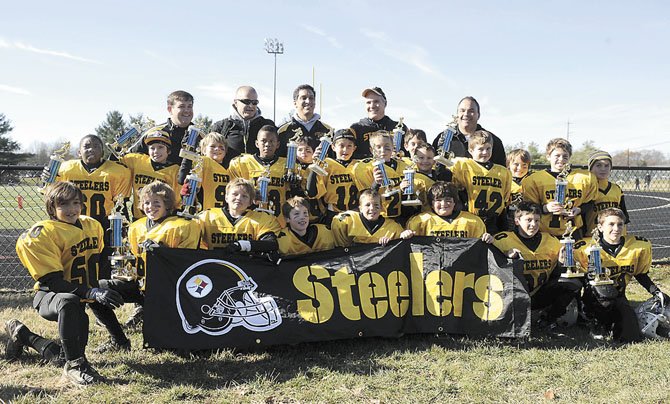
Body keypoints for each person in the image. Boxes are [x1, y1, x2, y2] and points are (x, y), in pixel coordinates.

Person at [12, 182, 129, 386]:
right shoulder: (43, 233)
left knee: (60, 357)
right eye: (63, 204)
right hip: (52, 296)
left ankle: (23, 334)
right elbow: (53, 282)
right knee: (70, 301)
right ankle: (75, 366)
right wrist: (92, 291)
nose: (71, 209)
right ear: (51, 207)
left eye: (75, 203)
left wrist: (120, 338)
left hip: (80, 293)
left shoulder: (92, 225)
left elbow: (95, 275)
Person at [575, 208, 668, 342]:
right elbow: (579, 278)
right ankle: (594, 323)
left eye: (620, 224)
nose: (616, 228)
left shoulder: (635, 246)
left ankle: (612, 323)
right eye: (611, 224)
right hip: (594, 300)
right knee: (604, 297)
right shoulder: (586, 248)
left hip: (619, 297)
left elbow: (640, 274)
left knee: (632, 336)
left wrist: (656, 291)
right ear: (600, 227)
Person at [118, 181, 201, 328]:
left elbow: (186, 261)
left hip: (168, 288)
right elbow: (133, 259)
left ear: (167, 204)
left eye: (156, 203)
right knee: (103, 287)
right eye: (147, 203)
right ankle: (117, 335)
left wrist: (161, 251)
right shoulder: (136, 226)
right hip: (141, 286)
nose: (151, 207)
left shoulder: (182, 225)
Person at [492, 202, 581, 330]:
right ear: (517, 221)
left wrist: (561, 263)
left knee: (572, 284)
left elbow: (555, 275)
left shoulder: (551, 241)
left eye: (537, 221)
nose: (533, 225)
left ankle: (546, 320)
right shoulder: (502, 240)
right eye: (528, 220)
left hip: (539, 293)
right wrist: (504, 256)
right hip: (512, 297)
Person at [55, 134, 132, 279]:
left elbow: (120, 205)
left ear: (103, 151)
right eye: (86, 146)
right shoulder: (67, 169)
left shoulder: (117, 171)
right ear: (79, 152)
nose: (91, 150)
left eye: (96, 146)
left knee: (105, 263)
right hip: (74, 223)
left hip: (104, 224)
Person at [521, 138, 597, 238]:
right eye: (557, 155)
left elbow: (591, 203)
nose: (561, 159)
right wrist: (545, 208)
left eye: (565, 156)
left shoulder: (585, 178)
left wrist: (579, 209)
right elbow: (527, 206)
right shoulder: (534, 179)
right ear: (548, 156)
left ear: (570, 157)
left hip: (574, 231)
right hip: (544, 232)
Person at [196, 178, 281, 254]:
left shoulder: (260, 219)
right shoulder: (207, 216)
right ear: (226, 197)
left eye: (244, 196)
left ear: (250, 202)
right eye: (235, 194)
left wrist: (243, 245)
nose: (239, 198)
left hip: (245, 268)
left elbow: (271, 243)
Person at [451, 130, 512, 234]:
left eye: (488, 148)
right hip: (469, 219)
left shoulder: (503, 172)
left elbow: (505, 199)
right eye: (481, 149)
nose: (485, 152)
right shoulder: (463, 165)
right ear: (470, 150)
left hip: (494, 222)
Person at [228, 125, 290, 225]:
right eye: (263, 141)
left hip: (278, 220)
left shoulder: (288, 165)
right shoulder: (242, 163)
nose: (267, 144)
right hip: (250, 220)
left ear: (278, 144)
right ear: (257, 143)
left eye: (271, 141)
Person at [353, 130, 414, 224]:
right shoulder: (365, 167)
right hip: (379, 218)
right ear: (371, 150)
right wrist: (376, 183)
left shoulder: (404, 165)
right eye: (378, 147)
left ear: (392, 148)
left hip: (402, 216)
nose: (383, 150)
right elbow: (365, 198)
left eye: (387, 147)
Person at [120, 129, 180, 220]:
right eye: (152, 148)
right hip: (139, 218)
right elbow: (115, 162)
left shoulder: (174, 170)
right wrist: (119, 146)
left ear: (168, 151)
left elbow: (176, 201)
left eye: (160, 147)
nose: (156, 151)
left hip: (162, 220)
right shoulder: (137, 161)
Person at [404, 181, 493, 243]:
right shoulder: (421, 221)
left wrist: (488, 240)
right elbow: (410, 249)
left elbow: (481, 249)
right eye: (438, 200)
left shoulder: (472, 221)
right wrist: (406, 236)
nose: (444, 204)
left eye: (448, 200)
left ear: (455, 202)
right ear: (431, 204)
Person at [306, 128, 361, 226]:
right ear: (333, 147)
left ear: (354, 148)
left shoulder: (359, 165)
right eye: (341, 145)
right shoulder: (327, 164)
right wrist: (315, 167)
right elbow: (312, 193)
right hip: (333, 214)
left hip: (356, 213)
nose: (345, 149)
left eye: (349, 146)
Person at [432, 96, 506, 166]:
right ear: (457, 114)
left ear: (478, 115)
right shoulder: (443, 139)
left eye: (471, 111)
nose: (466, 114)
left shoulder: (493, 141)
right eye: (462, 110)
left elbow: (501, 172)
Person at [210, 86, 275, 164]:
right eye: (246, 101)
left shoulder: (268, 125)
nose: (251, 106)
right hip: (229, 174)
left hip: (261, 174)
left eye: (254, 102)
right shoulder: (221, 126)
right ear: (235, 102)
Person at [132, 90, 194, 164]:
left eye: (189, 107)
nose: (187, 110)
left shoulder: (199, 136)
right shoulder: (154, 132)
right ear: (170, 109)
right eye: (181, 106)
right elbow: (131, 156)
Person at [331, 189, 411, 247]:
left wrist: (401, 238)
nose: (372, 208)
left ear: (381, 208)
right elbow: (339, 219)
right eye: (367, 205)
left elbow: (401, 248)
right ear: (360, 208)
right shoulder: (349, 219)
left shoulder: (393, 227)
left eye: (376, 205)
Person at [349, 87, 408, 160]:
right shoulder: (357, 128)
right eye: (368, 102)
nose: (372, 106)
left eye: (376, 101)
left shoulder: (398, 127)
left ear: (385, 103)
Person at [177, 132, 231, 211]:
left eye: (221, 147)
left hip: (222, 214)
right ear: (204, 150)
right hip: (205, 213)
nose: (217, 149)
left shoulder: (230, 169)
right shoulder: (204, 161)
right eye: (213, 146)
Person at [277, 84, 332, 157]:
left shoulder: (327, 131)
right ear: (295, 103)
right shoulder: (284, 131)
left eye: (311, 98)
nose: (308, 101)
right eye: (303, 98)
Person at [584, 151, 629, 235]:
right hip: (592, 235)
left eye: (606, 165)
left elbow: (624, 216)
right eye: (598, 165)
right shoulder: (586, 189)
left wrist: (623, 234)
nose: (603, 169)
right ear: (590, 168)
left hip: (614, 236)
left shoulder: (616, 189)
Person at [506, 148, 532, 230]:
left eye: (524, 165)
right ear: (508, 164)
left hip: (527, 217)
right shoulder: (505, 180)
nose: (520, 168)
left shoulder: (532, 180)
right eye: (516, 164)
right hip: (508, 217)